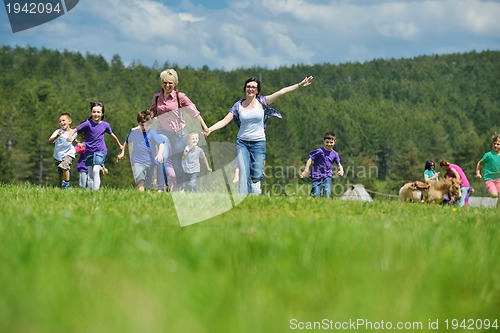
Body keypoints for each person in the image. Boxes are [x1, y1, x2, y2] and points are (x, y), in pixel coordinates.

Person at [206, 75, 314, 195]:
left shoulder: (262, 101)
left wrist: (299, 85)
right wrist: (210, 129)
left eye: (253, 87)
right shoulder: (238, 106)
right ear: (245, 88)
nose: (250, 89)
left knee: (256, 174)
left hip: (258, 143)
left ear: (257, 91)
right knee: (243, 172)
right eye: (248, 86)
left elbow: (281, 92)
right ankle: (243, 198)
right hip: (242, 143)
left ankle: (255, 190)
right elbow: (224, 121)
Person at [150, 69, 209, 190]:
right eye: (165, 82)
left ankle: (181, 187)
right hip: (163, 133)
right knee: (163, 157)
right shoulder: (157, 97)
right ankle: (161, 188)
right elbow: (151, 113)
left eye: (170, 83)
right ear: (161, 83)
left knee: (177, 164)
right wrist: (143, 126)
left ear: (175, 83)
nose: (167, 85)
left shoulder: (180, 97)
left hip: (179, 134)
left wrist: (205, 127)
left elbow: (195, 113)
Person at [67, 101, 122, 190]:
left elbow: (112, 135)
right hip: (89, 151)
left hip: (101, 150)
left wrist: (120, 145)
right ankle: (90, 191)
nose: (96, 114)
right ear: (91, 113)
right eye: (94, 112)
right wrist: (70, 136)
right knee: (90, 172)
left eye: (98, 112)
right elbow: (76, 129)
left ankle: (96, 191)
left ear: (102, 113)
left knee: (96, 169)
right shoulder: (88, 123)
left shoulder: (105, 125)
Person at [118, 109, 165, 192]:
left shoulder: (152, 133)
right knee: (141, 180)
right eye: (142, 125)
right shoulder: (134, 133)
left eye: (147, 125)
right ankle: (141, 195)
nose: (144, 127)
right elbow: (127, 141)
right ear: (138, 123)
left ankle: (147, 197)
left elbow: (161, 144)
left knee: (150, 184)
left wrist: (160, 154)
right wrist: (122, 152)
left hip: (150, 162)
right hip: (137, 162)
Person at [299, 132, 344, 197]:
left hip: (327, 175)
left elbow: (339, 164)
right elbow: (310, 159)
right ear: (324, 141)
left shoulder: (335, 154)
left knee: (327, 191)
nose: (329, 144)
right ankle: (313, 200)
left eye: (331, 142)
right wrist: (306, 171)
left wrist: (341, 170)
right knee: (316, 193)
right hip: (316, 174)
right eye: (327, 142)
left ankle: (326, 203)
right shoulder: (320, 151)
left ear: (334, 142)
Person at [48, 113, 77, 188]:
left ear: (69, 121)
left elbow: (75, 138)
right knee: (60, 173)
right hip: (58, 155)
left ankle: (66, 184)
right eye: (60, 121)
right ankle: (60, 185)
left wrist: (78, 143)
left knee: (64, 167)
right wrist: (57, 136)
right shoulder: (58, 131)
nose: (62, 123)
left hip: (69, 153)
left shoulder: (73, 132)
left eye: (63, 120)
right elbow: (50, 141)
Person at [475, 133, 500, 203]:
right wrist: (478, 173)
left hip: (499, 179)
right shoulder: (488, 155)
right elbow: (480, 163)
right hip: (489, 179)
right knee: (494, 195)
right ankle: (490, 190)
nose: (495, 145)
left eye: (498, 144)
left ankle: (497, 209)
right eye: (494, 143)